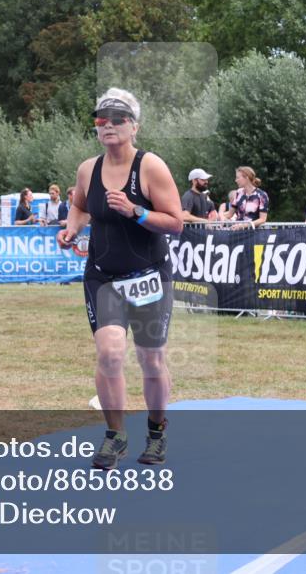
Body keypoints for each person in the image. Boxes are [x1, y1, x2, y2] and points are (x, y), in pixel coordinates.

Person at [56, 88, 183, 470]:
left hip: (148, 276)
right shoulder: (87, 169)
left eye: (117, 119)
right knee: (110, 354)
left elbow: (175, 222)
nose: (108, 125)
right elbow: (80, 205)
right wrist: (71, 229)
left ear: (134, 126)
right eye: (101, 120)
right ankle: (115, 436)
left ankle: (157, 432)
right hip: (103, 276)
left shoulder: (150, 167)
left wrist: (135, 211)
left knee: (151, 360)